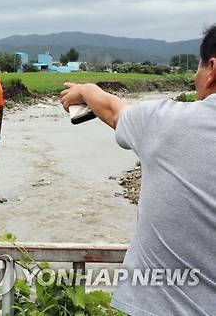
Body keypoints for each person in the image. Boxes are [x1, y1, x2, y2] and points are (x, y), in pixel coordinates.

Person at [59, 26, 216, 315]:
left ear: (213, 68)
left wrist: (84, 90)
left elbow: (114, 110)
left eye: (198, 66)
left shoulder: (167, 122)